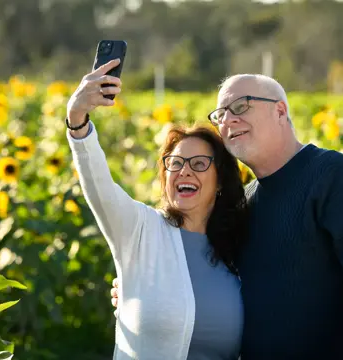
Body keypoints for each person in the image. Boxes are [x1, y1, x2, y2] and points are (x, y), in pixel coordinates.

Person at [113, 73, 343, 360]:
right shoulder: (243, 202)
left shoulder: (334, 177)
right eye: (221, 115)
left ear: (280, 110)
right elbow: (210, 274)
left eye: (241, 107)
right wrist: (141, 289)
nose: (228, 120)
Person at [65, 58, 248, 360]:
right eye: (175, 163)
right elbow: (99, 185)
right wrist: (78, 120)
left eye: (199, 164)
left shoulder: (240, 249)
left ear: (220, 180)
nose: (185, 171)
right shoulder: (139, 230)